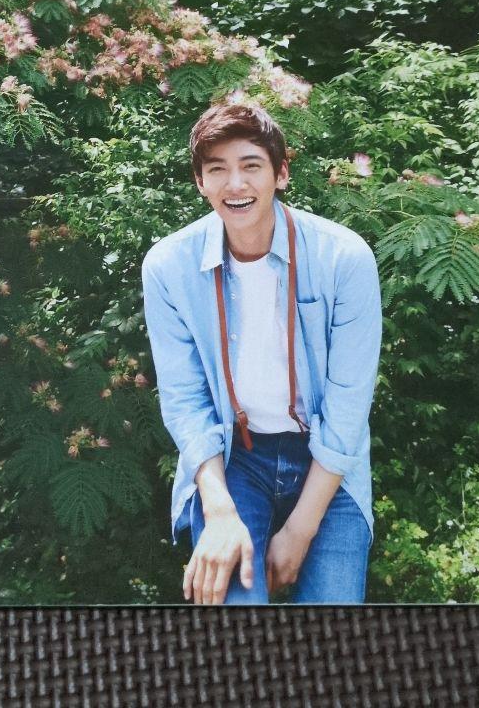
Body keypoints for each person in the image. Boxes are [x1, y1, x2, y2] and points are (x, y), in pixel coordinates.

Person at [141, 103, 381, 605]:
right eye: (217, 169)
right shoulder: (168, 266)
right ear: (200, 182)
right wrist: (219, 511)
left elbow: (348, 407)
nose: (235, 184)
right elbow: (185, 401)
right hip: (234, 459)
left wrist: (299, 531)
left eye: (251, 165)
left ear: (281, 173)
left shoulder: (344, 257)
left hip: (327, 461)